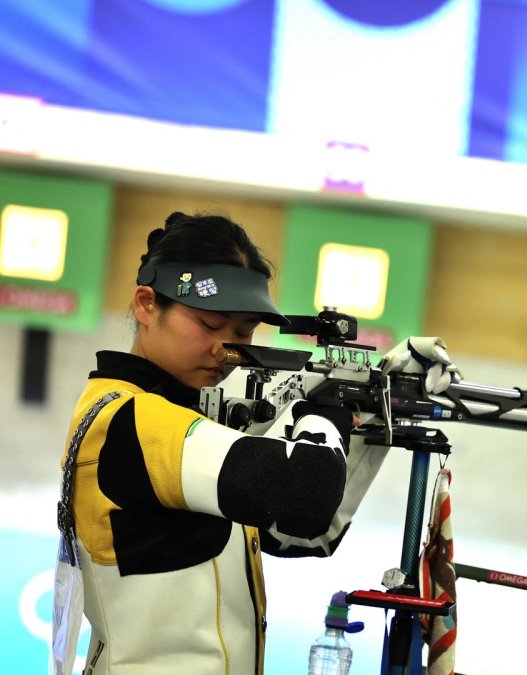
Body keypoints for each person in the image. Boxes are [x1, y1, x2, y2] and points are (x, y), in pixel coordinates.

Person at [54, 212, 458, 674]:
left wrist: (371, 405)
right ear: (146, 305)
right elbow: (303, 494)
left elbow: (305, 533)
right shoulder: (130, 419)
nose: (227, 349)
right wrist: (323, 409)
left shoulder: (186, 419)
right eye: (209, 324)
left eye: (243, 332)